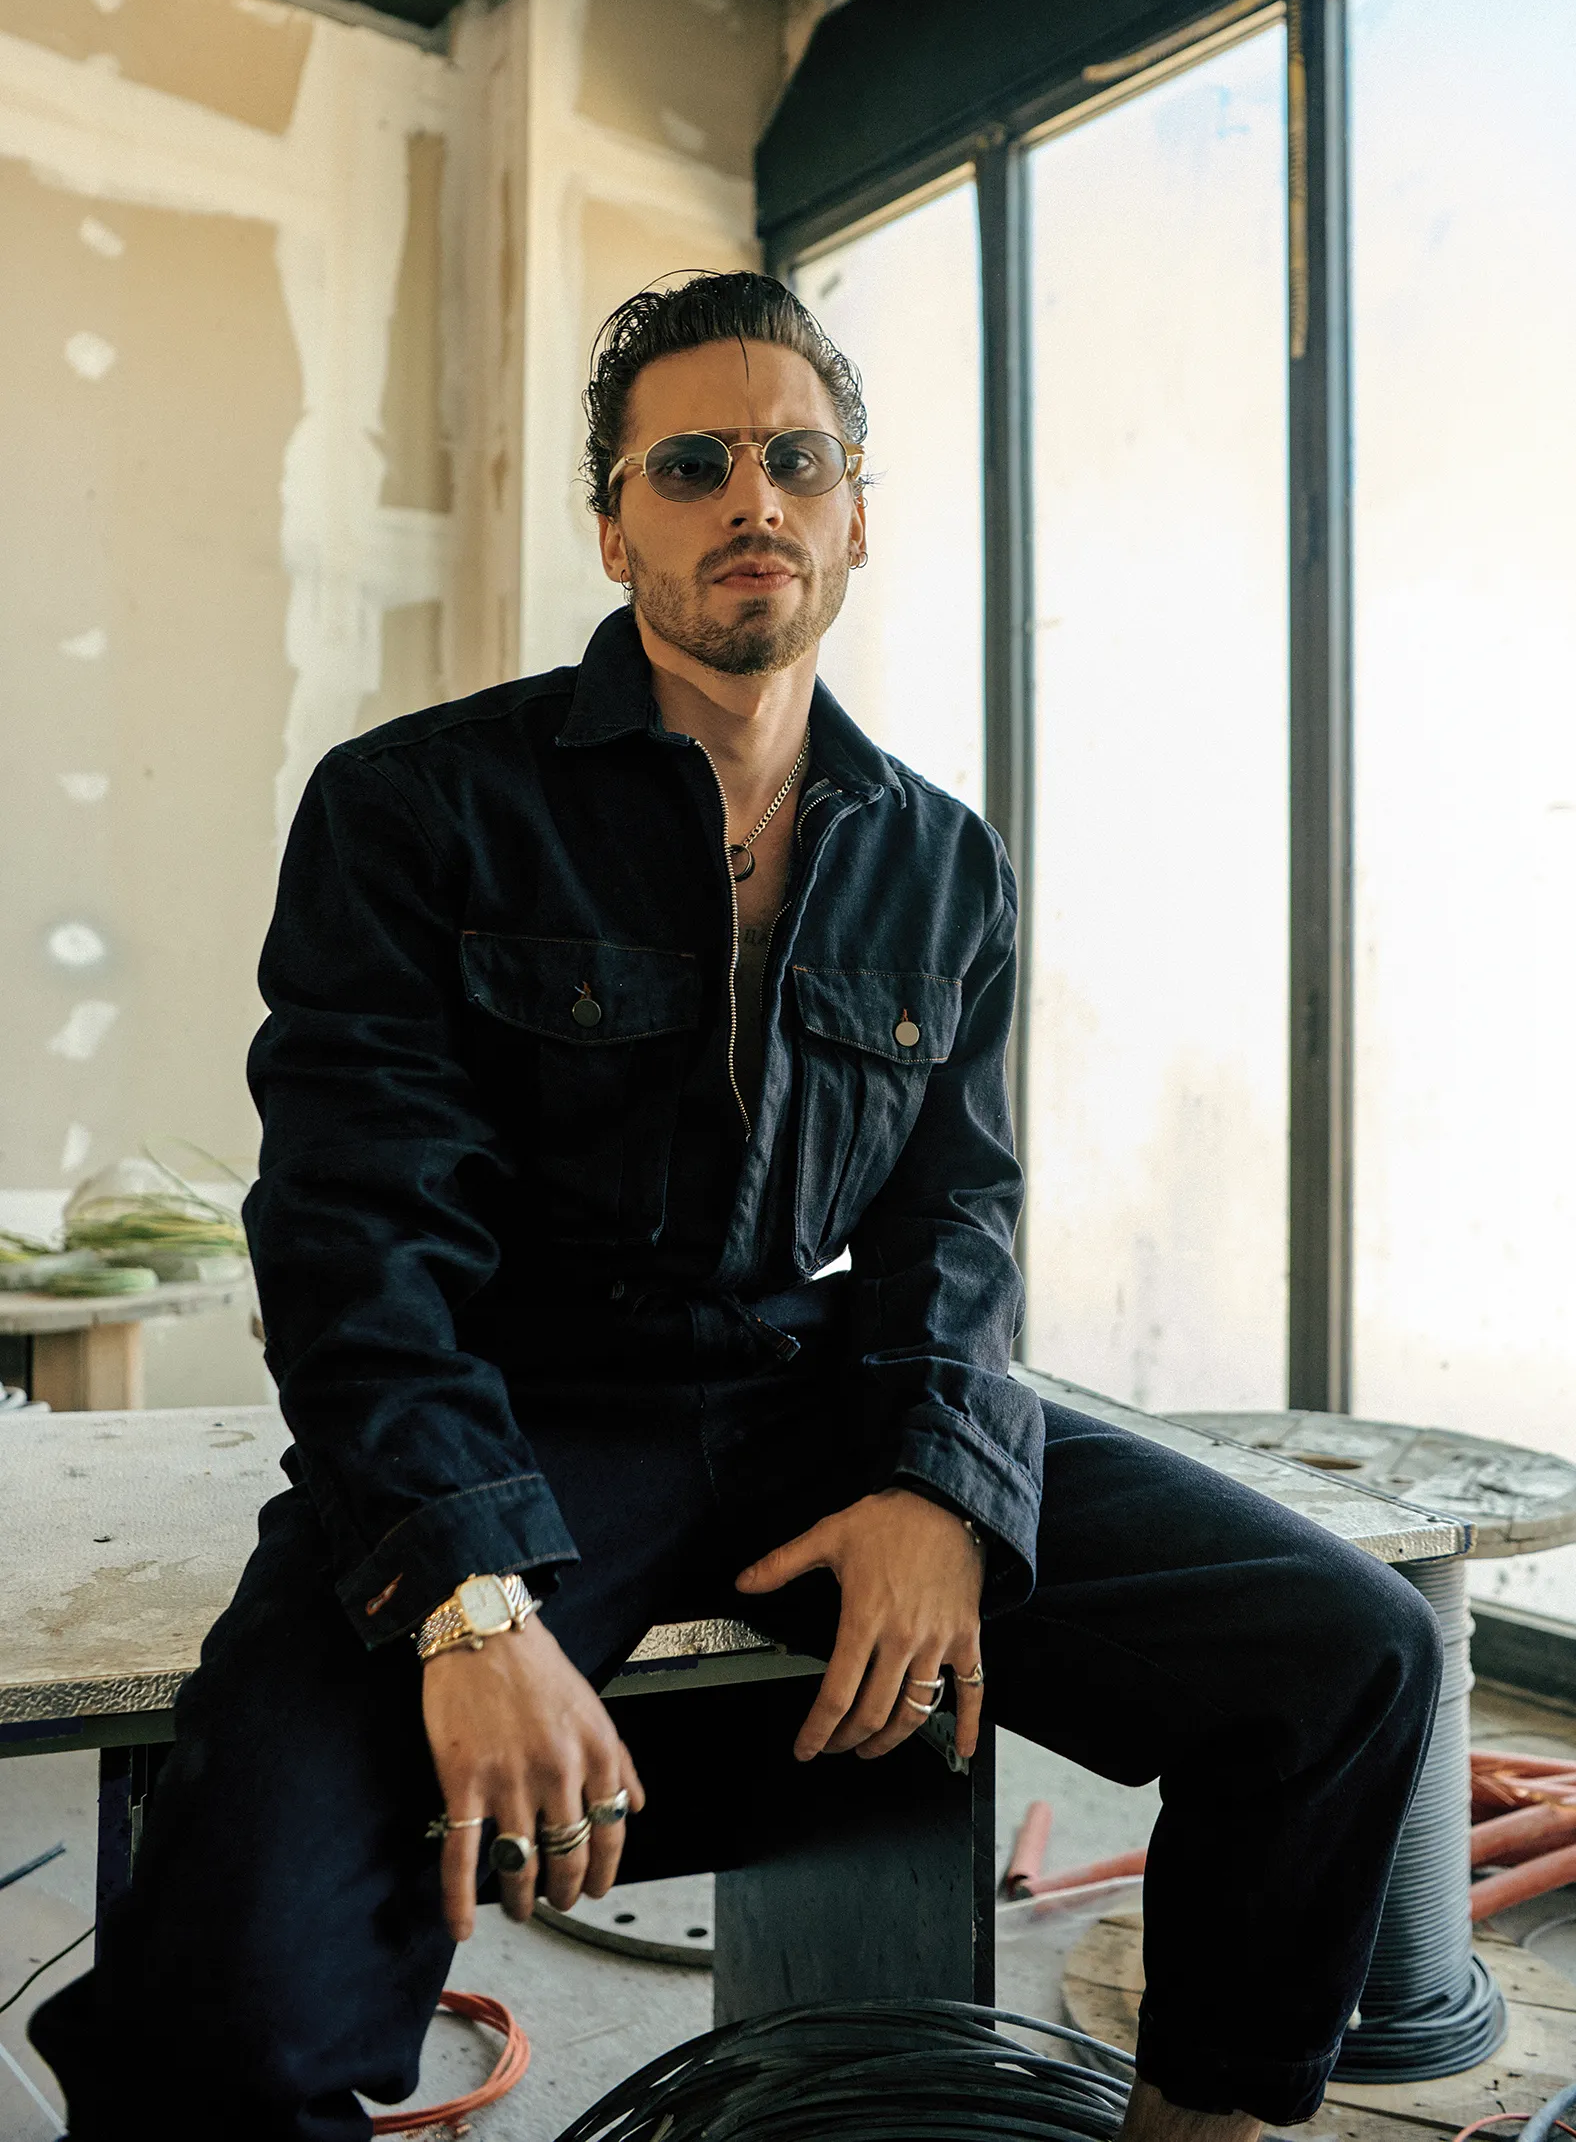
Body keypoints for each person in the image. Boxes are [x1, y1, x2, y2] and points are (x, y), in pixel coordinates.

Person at [33, 272, 1440, 2141]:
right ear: (616, 527)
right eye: (691, 464)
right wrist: (463, 1599)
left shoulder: (943, 859)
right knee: (226, 1991)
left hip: (806, 1394)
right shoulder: (417, 807)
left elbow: (956, 1217)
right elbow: (356, 1238)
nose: (750, 498)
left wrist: (942, 1480)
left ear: (856, 515)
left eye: (798, 459)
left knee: (1352, 1654)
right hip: (512, 1415)